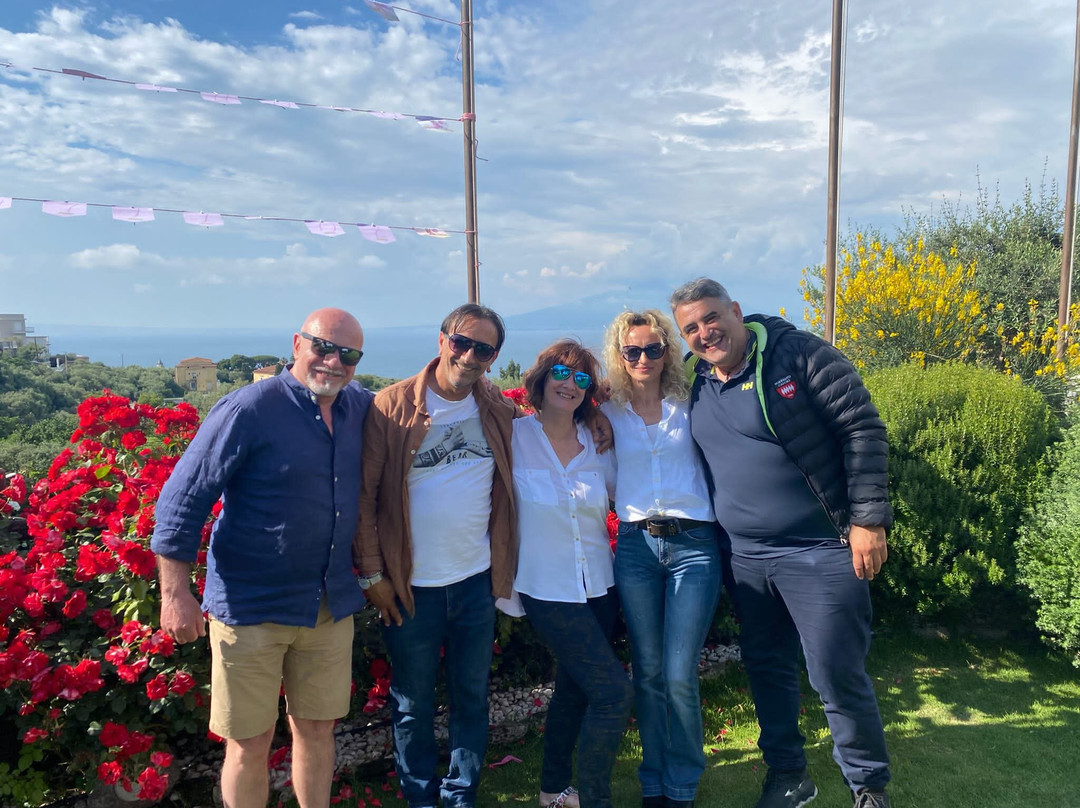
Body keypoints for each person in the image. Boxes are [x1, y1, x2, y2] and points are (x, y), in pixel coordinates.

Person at [670, 278, 892, 808]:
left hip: (820, 549)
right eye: (691, 328)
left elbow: (862, 429)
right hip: (744, 558)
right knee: (767, 668)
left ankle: (868, 786)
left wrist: (868, 520)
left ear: (735, 310)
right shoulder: (694, 380)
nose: (704, 332)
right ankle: (789, 775)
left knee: (835, 674)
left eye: (711, 317)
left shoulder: (799, 354)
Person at [151, 308, 372, 808]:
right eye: (323, 347)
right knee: (249, 743)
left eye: (349, 355)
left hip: (327, 606)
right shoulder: (249, 408)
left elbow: (419, 408)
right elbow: (183, 499)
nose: (334, 362)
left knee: (317, 730)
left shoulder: (360, 407)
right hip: (251, 606)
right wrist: (175, 594)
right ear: (297, 344)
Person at [354, 303, 517, 808]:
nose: (468, 356)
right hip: (411, 586)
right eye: (461, 342)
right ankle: (421, 798)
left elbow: (552, 424)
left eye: (483, 349)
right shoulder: (392, 406)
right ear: (442, 339)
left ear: (493, 358)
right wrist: (371, 575)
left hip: (475, 582)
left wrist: (595, 420)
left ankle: (461, 793)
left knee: (472, 696)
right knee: (412, 703)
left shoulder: (497, 408)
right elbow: (364, 496)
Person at [600, 310, 722, 808]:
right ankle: (653, 780)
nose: (643, 359)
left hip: (694, 546)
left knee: (678, 674)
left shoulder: (691, 404)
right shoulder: (607, 413)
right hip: (636, 547)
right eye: (632, 351)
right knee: (647, 673)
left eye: (653, 349)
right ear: (620, 355)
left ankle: (683, 782)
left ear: (667, 351)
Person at [510, 339, 633, 808]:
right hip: (546, 587)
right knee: (613, 693)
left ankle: (553, 791)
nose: (570, 384)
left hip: (600, 584)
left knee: (574, 690)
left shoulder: (599, 444)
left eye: (581, 378)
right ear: (541, 379)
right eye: (561, 373)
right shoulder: (513, 437)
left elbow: (628, 495)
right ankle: (594, 799)